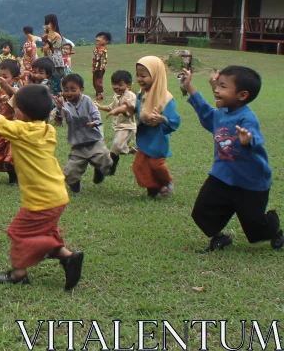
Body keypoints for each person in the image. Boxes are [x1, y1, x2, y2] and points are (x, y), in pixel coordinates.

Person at [0, 85, 84, 290]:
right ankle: (67, 257)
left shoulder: (22, 131)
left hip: (41, 199)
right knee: (46, 230)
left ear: (23, 113)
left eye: (16, 109)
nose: (14, 112)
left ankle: (19, 274)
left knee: (19, 232)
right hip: (57, 195)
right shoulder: (48, 129)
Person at [181, 67, 283, 251]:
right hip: (222, 176)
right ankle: (219, 238)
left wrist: (247, 141)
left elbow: (256, 137)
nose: (216, 90)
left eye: (223, 87)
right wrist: (189, 86)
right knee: (202, 212)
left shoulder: (247, 118)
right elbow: (205, 112)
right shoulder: (221, 114)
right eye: (217, 85)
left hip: (250, 182)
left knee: (255, 226)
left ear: (242, 95)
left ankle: (274, 229)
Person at [129, 56, 181, 198]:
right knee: (138, 166)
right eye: (138, 75)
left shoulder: (166, 98)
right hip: (145, 134)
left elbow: (174, 120)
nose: (139, 79)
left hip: (158, 137)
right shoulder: (142, 94)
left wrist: (162, 119)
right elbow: (141, 110)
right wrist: (131, 108)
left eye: (144, 75)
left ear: (156, 75)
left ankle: (167, 182)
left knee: (156, 164)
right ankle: (154, 188)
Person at [53, 74, 113, 194]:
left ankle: (99, 169)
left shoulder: (86, 100)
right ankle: (75, 184)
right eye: (66, 90)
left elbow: (95, 113)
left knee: (106, 163)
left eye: (73, 89)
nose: (69, 93)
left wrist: (95, 122)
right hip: (78, 144)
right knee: (69, 173)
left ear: (81, 90)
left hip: (94, 141)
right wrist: (60, 109)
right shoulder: (65, 104)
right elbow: (65, 120)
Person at [96, 70, 137, 175]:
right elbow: (110, 107)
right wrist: (99, 106)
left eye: (120, 84)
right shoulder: (118, 96)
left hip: (128, 127)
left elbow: (125, 107)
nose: (116, 87)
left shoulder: (130, 95)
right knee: (117, 146)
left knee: (116, 146)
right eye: (114, 84)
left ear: (128, 85)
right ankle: (129, 150)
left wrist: (116, 111)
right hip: (120, 127)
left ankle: (111, 167)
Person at [43, 14, 66, 95]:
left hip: (55, 61)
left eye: (49, 23)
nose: (47, 25)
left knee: (56, 81)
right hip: (51, 59)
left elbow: (49, 47)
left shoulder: (55, 35)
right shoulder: (49, 34)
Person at [92, 32, 110, 101]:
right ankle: (97, 91)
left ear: (106, 41)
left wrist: (99, 68)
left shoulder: (103, 50)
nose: (98, 39)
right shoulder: (97, 49)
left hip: (99, 68)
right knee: (94, 81)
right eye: (98, 37)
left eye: (101, 38)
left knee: (98, 81)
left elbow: (102, 60)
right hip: (95, 68)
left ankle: (100, 93)